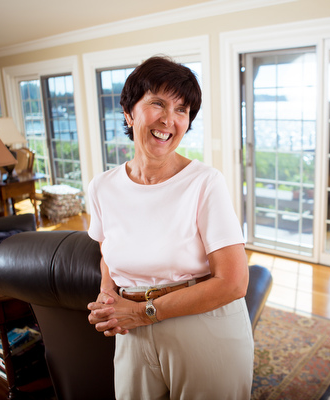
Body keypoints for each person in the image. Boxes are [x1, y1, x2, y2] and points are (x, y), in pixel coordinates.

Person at [86, 56, 253, 400]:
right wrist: (107, 292)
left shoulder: (205, 183)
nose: (169, 119)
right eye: (157, 103)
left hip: (203, 326)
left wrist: (144, 313)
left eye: (181, 109)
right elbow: (108, 250)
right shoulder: (102, 187)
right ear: (129, 113)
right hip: (130, 331)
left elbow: (234, 282)